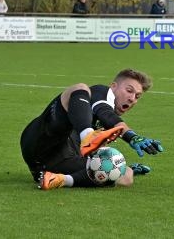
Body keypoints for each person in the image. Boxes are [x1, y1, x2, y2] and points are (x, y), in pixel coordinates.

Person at [20, 69, 164, 190]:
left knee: (126, 176)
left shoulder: (107, 124)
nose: (132, 98)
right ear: (113, 87)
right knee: (79, 88)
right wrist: (132, 136)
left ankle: (59, 180)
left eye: (137, 96)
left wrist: (119, 166)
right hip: (42, 138)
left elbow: (109, 123)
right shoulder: (100, 92)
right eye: (129, 90)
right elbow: (106, 114)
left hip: (53, 163)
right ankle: (87, 135)